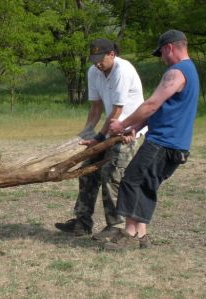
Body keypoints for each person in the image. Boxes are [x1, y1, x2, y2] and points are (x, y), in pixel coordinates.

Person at [104, 29, 199, 250]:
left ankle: (128, 234)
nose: (162, 59)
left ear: (170, 48)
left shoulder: (176, 72)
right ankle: (141, 235)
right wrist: (136, 127)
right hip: (178, 144)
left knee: (131, 180)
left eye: (162, 54)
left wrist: (122, 124)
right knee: (147, 185)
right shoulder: (191, 71)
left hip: (162, 142)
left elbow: (151, 105)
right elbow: (165, 110)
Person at [54, 38, 146, 241]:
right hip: (110, 129)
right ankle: (82, 223)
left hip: (128, 130)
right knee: (86, 170)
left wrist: (99, 137)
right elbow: (96, 108)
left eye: (100, 58)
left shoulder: (122, 70)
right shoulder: (93, 72)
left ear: (112, 54)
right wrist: (86, 133)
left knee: (111, 173)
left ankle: (116, 226)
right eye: (93, 58)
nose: (97, 63)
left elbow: (117, 111)